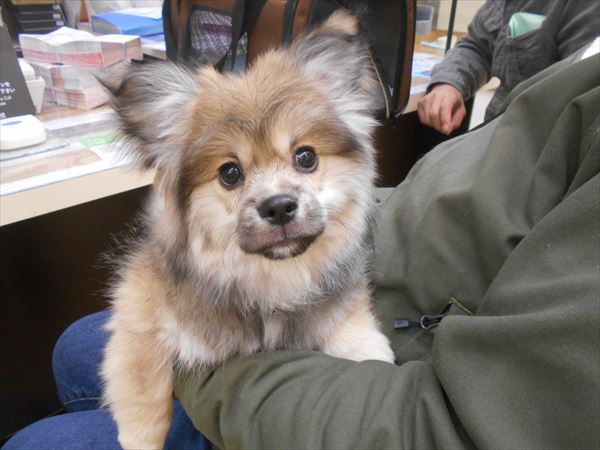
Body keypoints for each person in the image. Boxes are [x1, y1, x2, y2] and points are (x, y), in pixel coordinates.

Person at [4, 45, 599, 450]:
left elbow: (445, 428)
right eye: (231, 174)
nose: (276, 197)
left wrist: (195, 381)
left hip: (386, 377)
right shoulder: (578, 81)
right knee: (75, 345)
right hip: (379, 272)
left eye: (304, 158)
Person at [417, 0, 600, 135]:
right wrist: (449, 83)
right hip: (497, 137)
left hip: (535, 151)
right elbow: (477, 45)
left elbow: (580, 93)